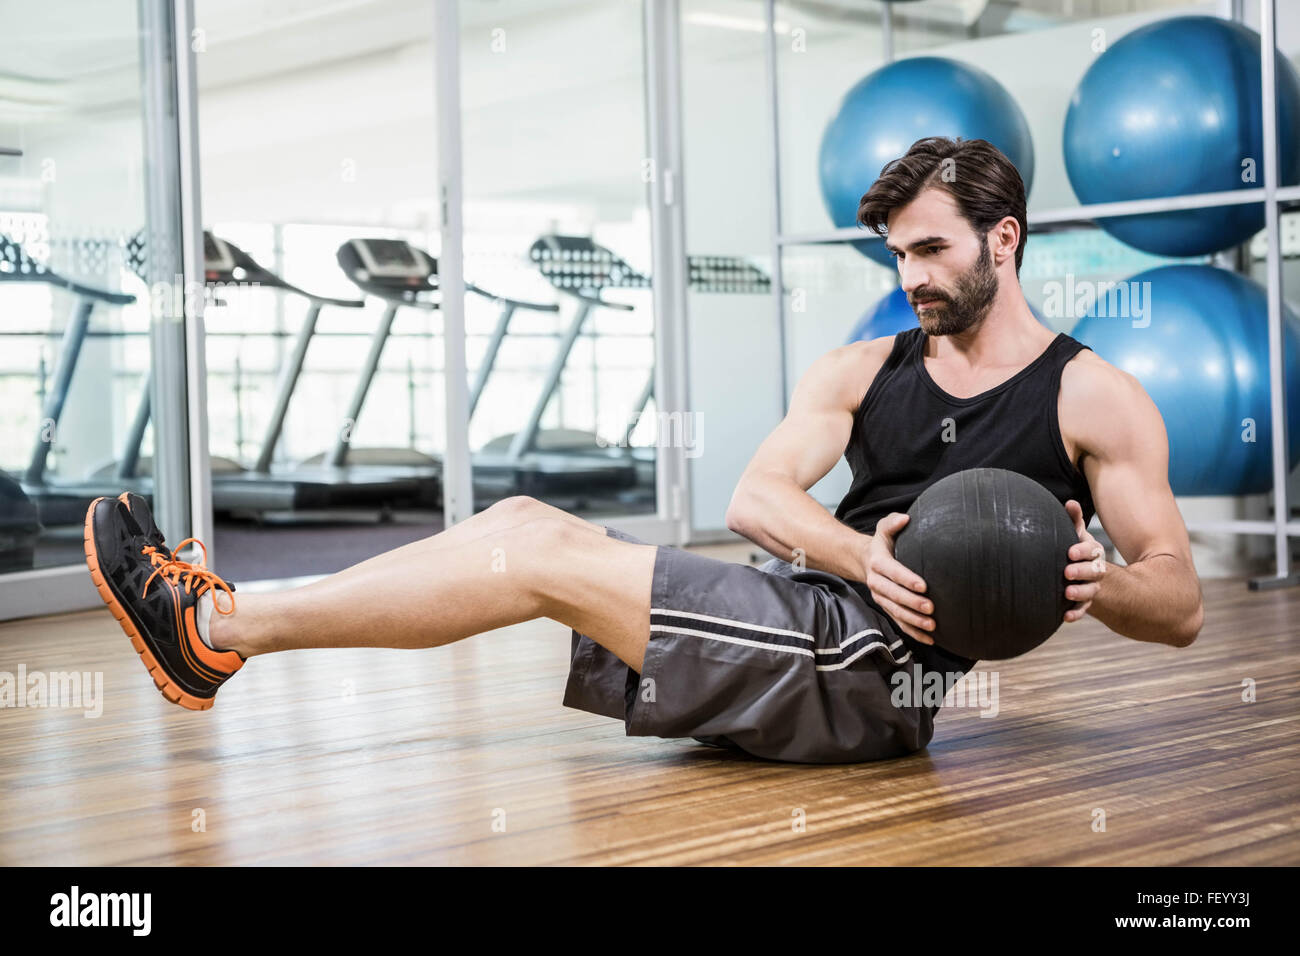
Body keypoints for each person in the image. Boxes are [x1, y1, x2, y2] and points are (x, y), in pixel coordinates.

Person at [83, 136, 1203, 765]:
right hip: (805, 607)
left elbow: (1180, 602)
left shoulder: (1092, 395)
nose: (908, 275)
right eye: (893, 253)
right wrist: (865, 556)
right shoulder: (867, 366)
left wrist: (1095, 583)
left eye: (929, 248)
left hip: (867, 680)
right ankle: (219, 624)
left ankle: (213, 630)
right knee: (524, 526)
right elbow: (758, 495)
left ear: (1002, 239)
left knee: (529, 548)